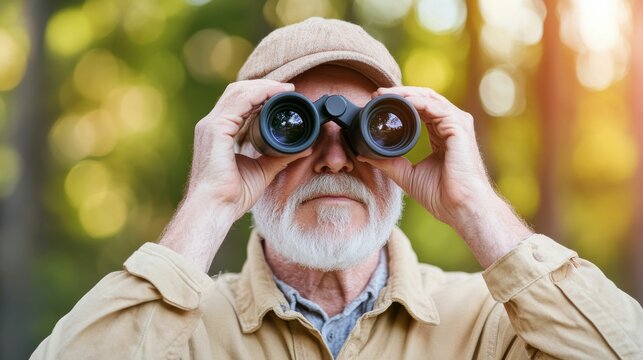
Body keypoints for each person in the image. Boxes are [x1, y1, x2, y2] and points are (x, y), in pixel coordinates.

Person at [32, 17, 642, 359]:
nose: (333, 159)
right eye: (292, 129)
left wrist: (477, 206)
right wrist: (207, 203)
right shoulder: (177, 330)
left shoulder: (490, 325)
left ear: (399, 141)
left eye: (362, 131)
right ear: (244, 145)